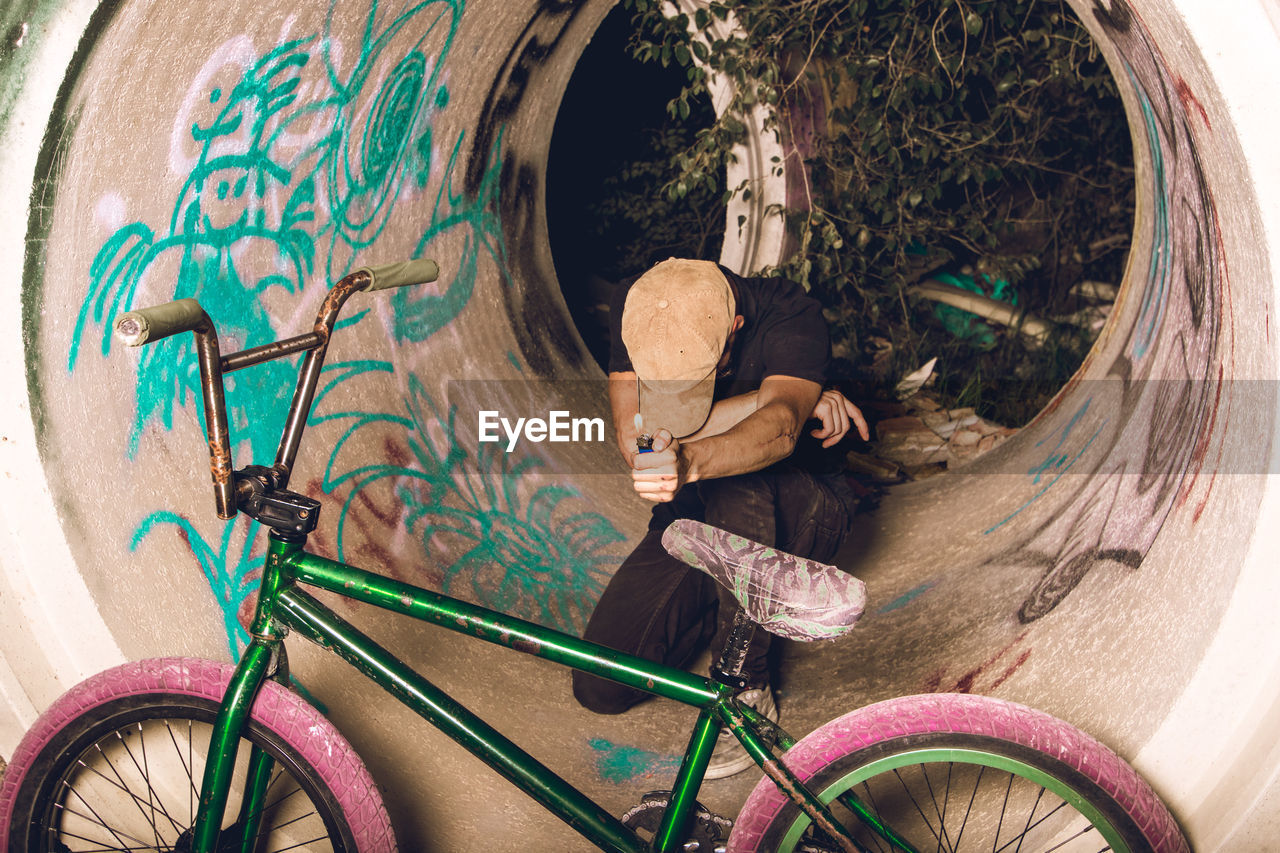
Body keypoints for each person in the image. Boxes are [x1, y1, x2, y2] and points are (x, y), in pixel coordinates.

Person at [571, 257, 868, 778]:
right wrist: (784, 398)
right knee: (601, 686)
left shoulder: (789, 313)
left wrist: (688, 459)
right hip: (696, 517)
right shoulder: (639, 304)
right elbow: (634, 438)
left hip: (803, 509)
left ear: (735, 329)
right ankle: (722, 599)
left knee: (740, 472)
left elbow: (778, 429)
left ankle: (744, 692)